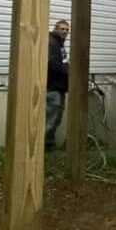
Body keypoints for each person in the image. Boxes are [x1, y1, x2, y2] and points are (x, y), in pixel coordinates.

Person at [45, 19, 70, 152]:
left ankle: (48, 145)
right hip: (52, 87)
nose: (65, 32)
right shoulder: (52, 43)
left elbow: (63, 63)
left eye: (67, 30)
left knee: (56, 118)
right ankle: (46, 146)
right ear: (55, 29)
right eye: (62, 29)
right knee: (51, 118)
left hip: (59, 88)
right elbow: (52, 65)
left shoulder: (60, 44)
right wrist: (67, 72)